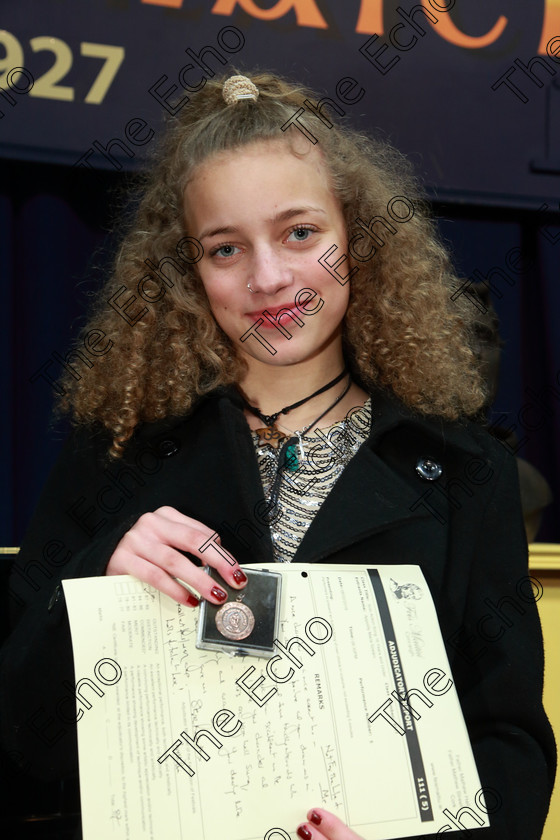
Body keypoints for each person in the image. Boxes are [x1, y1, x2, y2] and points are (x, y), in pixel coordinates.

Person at [1, 71, 556, 840]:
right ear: (188, 270)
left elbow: (509, 743)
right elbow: (24, 736)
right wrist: (101, 584)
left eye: (301, 233)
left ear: (356, 240)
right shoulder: (120, 446)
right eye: (225, 248)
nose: (268, 279)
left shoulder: (466, 473)